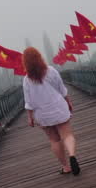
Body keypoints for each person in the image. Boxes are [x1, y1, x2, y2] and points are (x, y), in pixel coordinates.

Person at [22, 46, 80, 175]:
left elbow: (29, 102)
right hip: (58, 107)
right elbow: (61, 88)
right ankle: (72, 155)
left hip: (42, 114)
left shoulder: (26, 80)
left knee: (54, 140)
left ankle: (66, 167)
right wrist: (68, 101)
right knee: (67, 135)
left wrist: (30, 117)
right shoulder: (51, 71)